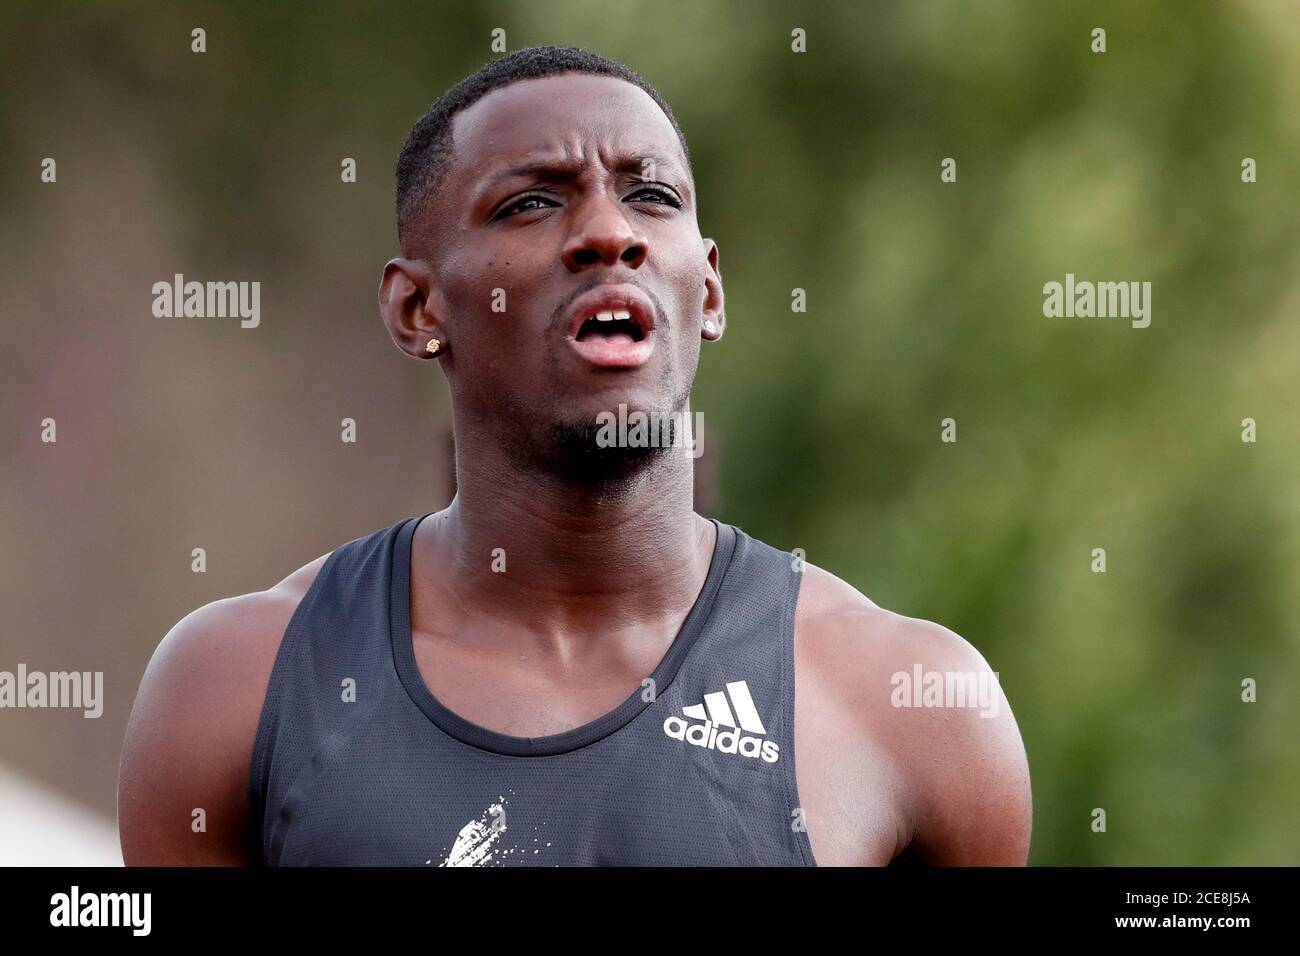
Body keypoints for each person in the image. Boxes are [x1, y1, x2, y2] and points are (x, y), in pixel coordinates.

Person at [118, 45, 1031, 866]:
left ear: (708, 288)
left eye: (652, 196)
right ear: (417, 310)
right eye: (531, 202)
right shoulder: (238, 687)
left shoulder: (915, 706)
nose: (608, 233)